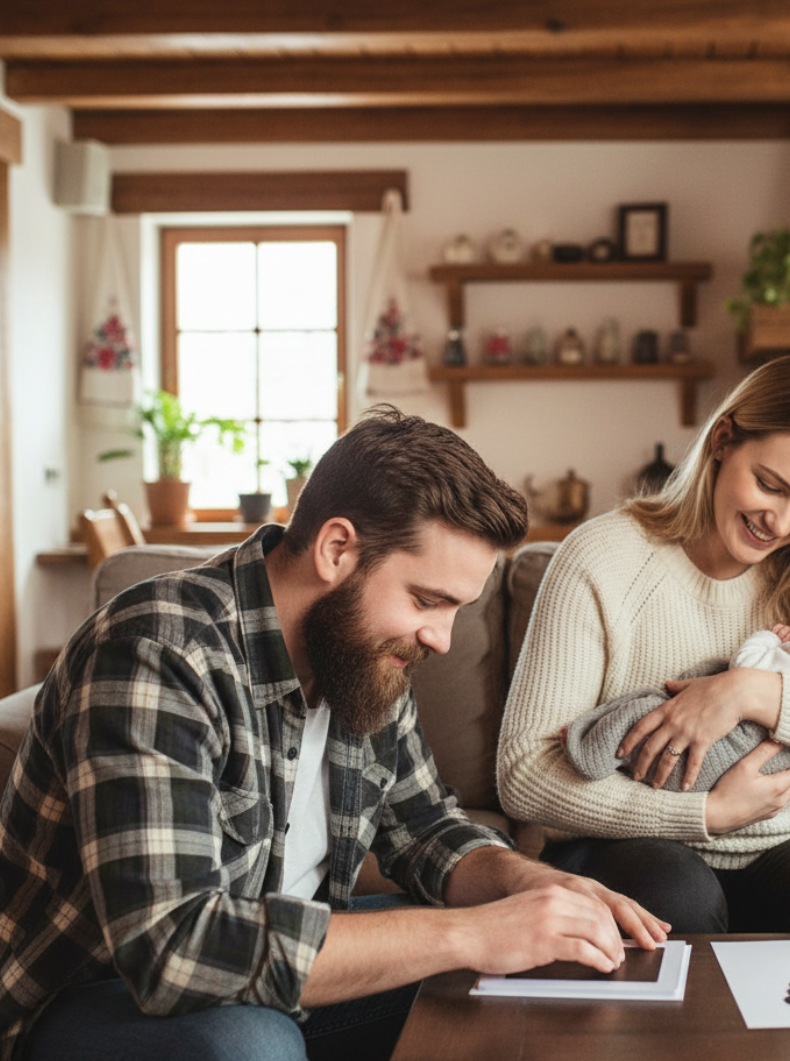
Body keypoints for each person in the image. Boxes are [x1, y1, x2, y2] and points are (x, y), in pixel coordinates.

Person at [0, 406, 668, 1061]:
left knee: (540, 968)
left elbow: (429, 833)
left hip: (280, 970)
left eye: (456, 609)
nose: (441, 638)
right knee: (249, 1044)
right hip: (99, 994)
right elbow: (175, 949)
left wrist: (530, 888)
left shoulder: (361, 661)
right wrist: (471, 934)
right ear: (336, 548)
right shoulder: (158, 649)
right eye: (427, 600)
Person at [497, 353, 790, 936]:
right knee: (673, 894)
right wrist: (705, 813)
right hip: (634, 841)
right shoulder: (603, 558)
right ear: (722, 440)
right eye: (770, 484)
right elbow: (523, 773)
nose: (783, 522)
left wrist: (750, 691)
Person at [562, 597, 790, 792]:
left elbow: (745, 665)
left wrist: (769, 638)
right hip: (720, 779)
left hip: (712, 758)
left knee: (644, 712)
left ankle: (587, 750)